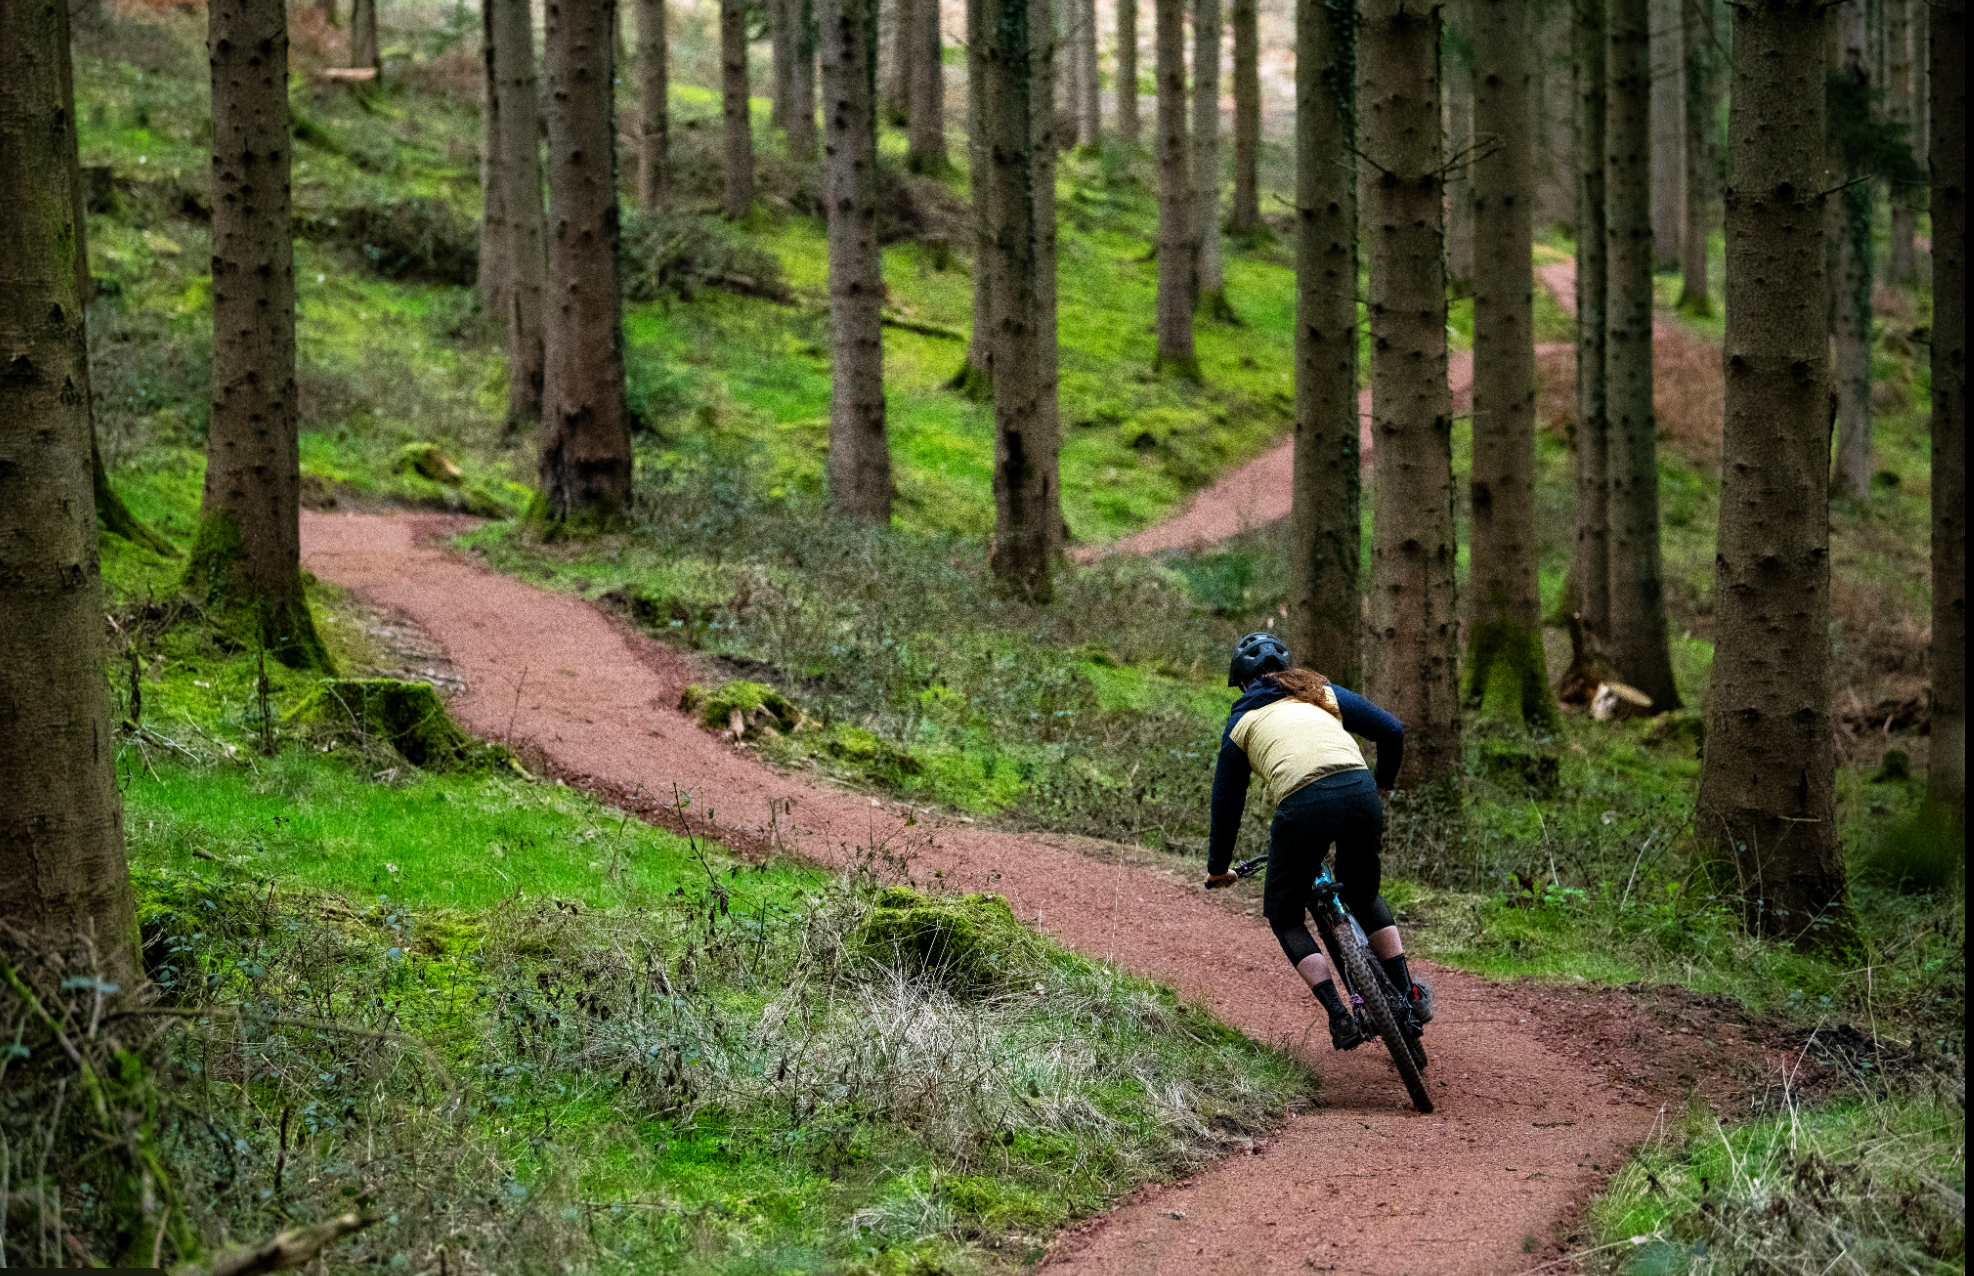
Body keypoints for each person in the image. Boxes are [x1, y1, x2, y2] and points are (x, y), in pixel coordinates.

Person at [1203, 631, 1432, 1050]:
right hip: (1360, 790)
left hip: (1303, 805)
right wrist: (1381, 786)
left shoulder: (1241, 722)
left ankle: (1339, 1016)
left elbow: (1227, 804)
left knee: (1286, 916)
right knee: (1363, 894)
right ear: (1287, 669)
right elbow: (1392, 730)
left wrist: (1219, 867)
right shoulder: (1320, 692)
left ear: (1241, 683)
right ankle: (1409, 996)